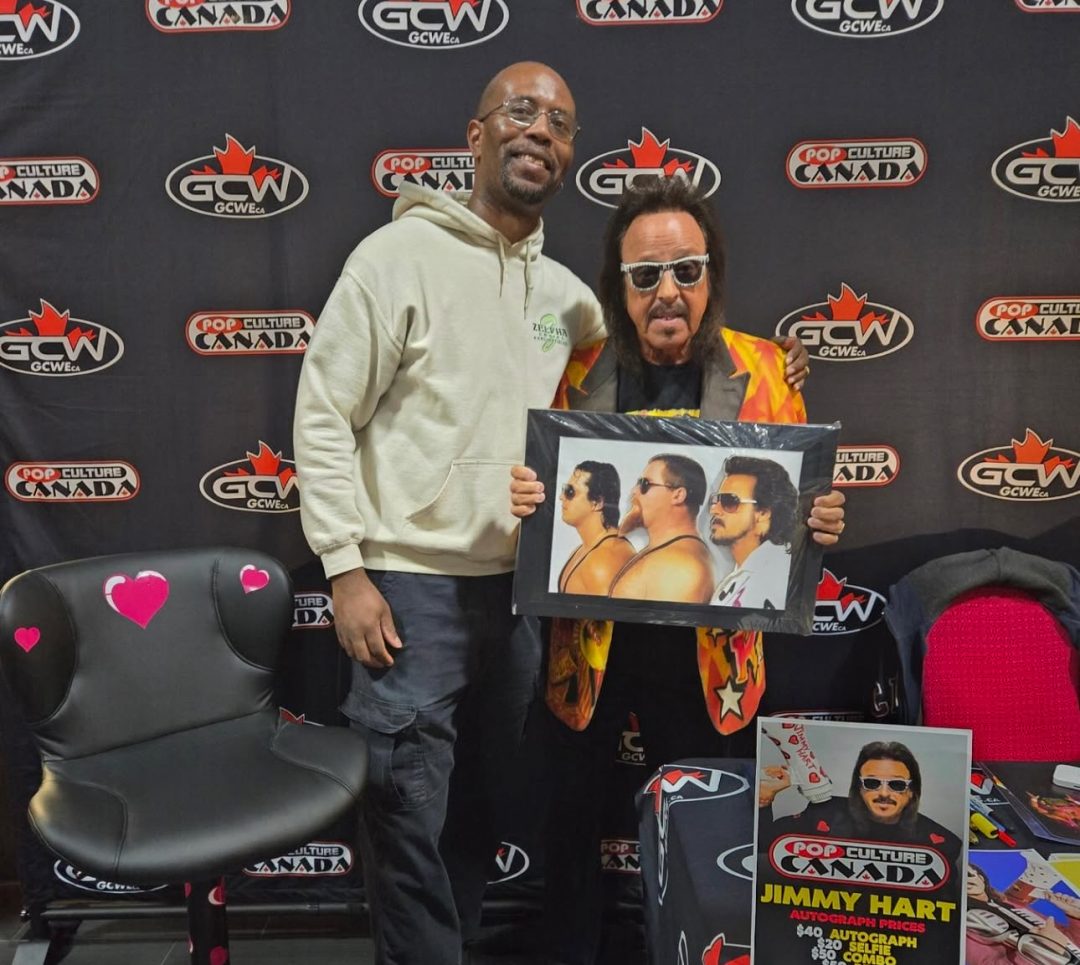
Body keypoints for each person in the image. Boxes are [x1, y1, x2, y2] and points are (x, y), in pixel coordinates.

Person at [293, 62, 609, 965]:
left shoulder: (564, 297)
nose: (539, 130)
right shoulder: (394, 260)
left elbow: (609, 376)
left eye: (558, 120)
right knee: (407, 818)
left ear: (569, 152)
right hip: (407, 589)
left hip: (513, 596)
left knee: (471, 808)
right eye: (520, 112)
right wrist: (345, 569)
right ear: (476, 136)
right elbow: (323, 416)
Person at [509, 175, 843, 965]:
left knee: (709, 847)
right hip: (589, 649)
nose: (668, 291)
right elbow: (534, 491)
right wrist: (524, 490)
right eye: (645, 275)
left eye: (687, 271)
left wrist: (820, 529)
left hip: (711, 663)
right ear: (618, 289)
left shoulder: (767, 371)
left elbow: (787, 530)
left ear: (712, 278)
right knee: (568, 837)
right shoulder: (571, 372)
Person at [757, 740, 962, 865]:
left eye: (897, 785)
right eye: (872, 783)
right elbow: (763, 845)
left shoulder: (942, 844)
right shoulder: (824, 813)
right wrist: (765, 796)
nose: (883, 793)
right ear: (858, 788)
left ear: (912, 792)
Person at [608, 453, 714, 603]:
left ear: (678, 496)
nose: (634, 491)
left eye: (645, 484)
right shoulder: (669, 552)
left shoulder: (678, 566)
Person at [709, 454, 799, 609]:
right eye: (716, 500)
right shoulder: (744, 575)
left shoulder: (776, 579)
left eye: (729, 501)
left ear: (763, 513)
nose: (713, 510)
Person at [966, 862, 1080, 964]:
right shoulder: (967, 923)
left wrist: (1075, 916)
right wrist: (1076, 917)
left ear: (981, 878)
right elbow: (1064, 943)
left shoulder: (1009, 903)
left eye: (968, 875)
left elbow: (1065, 943)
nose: (966, 882)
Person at [556, 461, 634, 595]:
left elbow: (610, 615)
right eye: (564, 489)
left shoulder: (603, 561)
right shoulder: (584, 550)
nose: (561, 497)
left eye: (570, 491)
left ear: (597, 503)